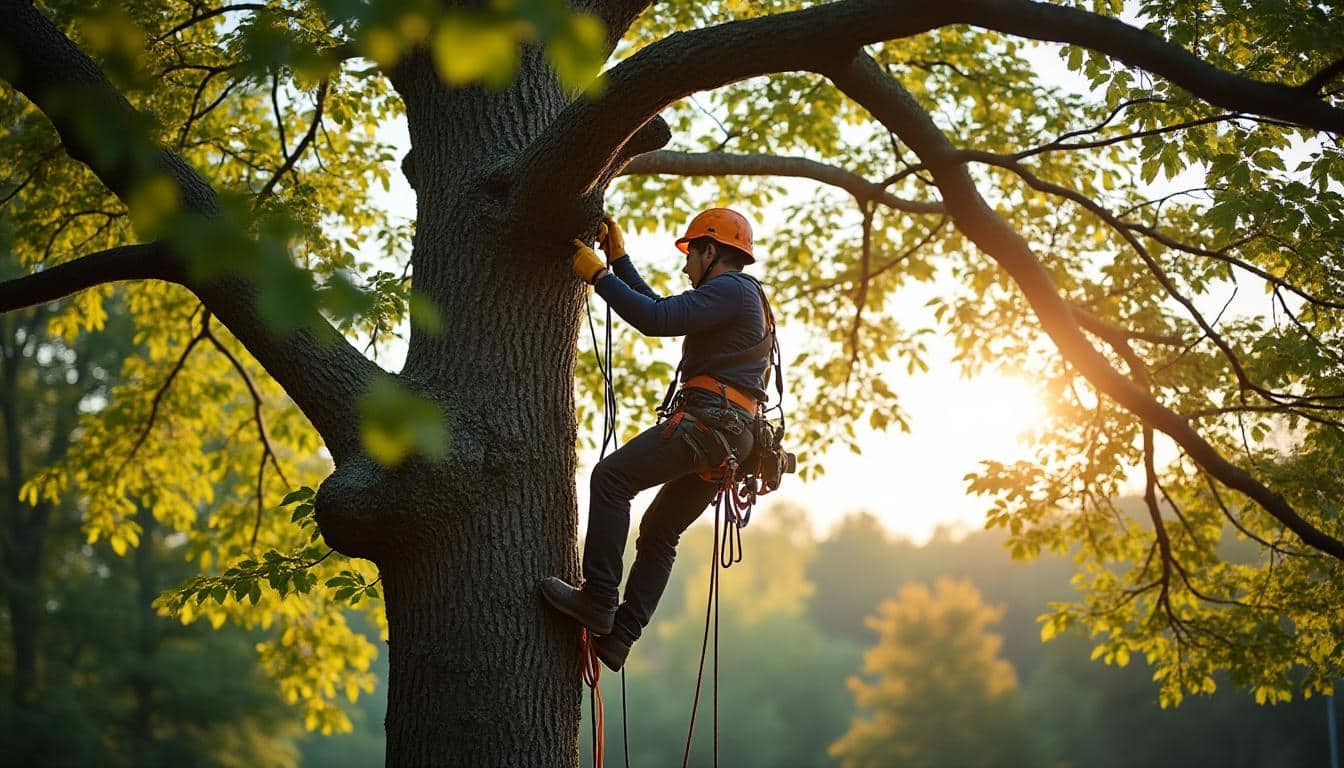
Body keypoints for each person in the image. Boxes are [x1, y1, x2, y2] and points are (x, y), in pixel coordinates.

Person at [541, 208, 773, 671]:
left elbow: (653, 318)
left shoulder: (731, 289)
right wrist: (619, 262)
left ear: (711, 251)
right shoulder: (741, 297)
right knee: (661, 532)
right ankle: (619, 638)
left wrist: (599, 278)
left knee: (612, 479)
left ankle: (599, 599)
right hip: (731, 437)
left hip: (710, 425)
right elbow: (659, 309)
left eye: (691, 255)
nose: (686, 267)